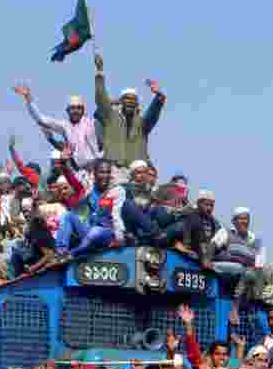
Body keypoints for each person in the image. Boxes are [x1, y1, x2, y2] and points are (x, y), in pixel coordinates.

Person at [93, 53, 166, 181]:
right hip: (115, 171)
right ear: (121, 102)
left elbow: (153, 113)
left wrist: (159, 97)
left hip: (137, 172)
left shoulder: (142, 124)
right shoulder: (111, 117)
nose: (130, 102)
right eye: (127, 99)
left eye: (133, 100)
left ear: (137, 103)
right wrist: (100, 72)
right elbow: (101, 98)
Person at [14, 86, 101, 170]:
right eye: (73, 108)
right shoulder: (65, 126)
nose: (76, 111)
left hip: (97, 169)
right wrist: (28, 99)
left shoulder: (92, 123)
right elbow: (41, 119)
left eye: (79, 108)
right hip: (80, 172)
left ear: (83, 110)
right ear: (67, 110)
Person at [54, 159, 122, 258]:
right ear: (94, 174)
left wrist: (119, 238)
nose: (105, 176)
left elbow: (117, 215)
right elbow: (73, 181)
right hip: (88, 231)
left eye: (108, 172)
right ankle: (61, 252)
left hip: (107, 233)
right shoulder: (88, 189)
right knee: (67, 216)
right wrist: (64, 164)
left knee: (96, 231)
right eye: (102, 172)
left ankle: (74, 252)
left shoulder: (116, 191)